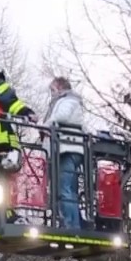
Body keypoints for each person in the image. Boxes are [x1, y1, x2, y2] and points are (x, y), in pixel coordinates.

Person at [45, 76, 86, 229]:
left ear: (61, 88)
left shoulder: (68, 101)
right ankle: (73, 223)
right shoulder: (66, 101)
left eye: (53, 89)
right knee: (68, 190)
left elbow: (61, 116)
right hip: (66, 149)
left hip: (68, 149)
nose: (52, 93)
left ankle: (71, 225)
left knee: (64, 190)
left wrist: (46, 125)